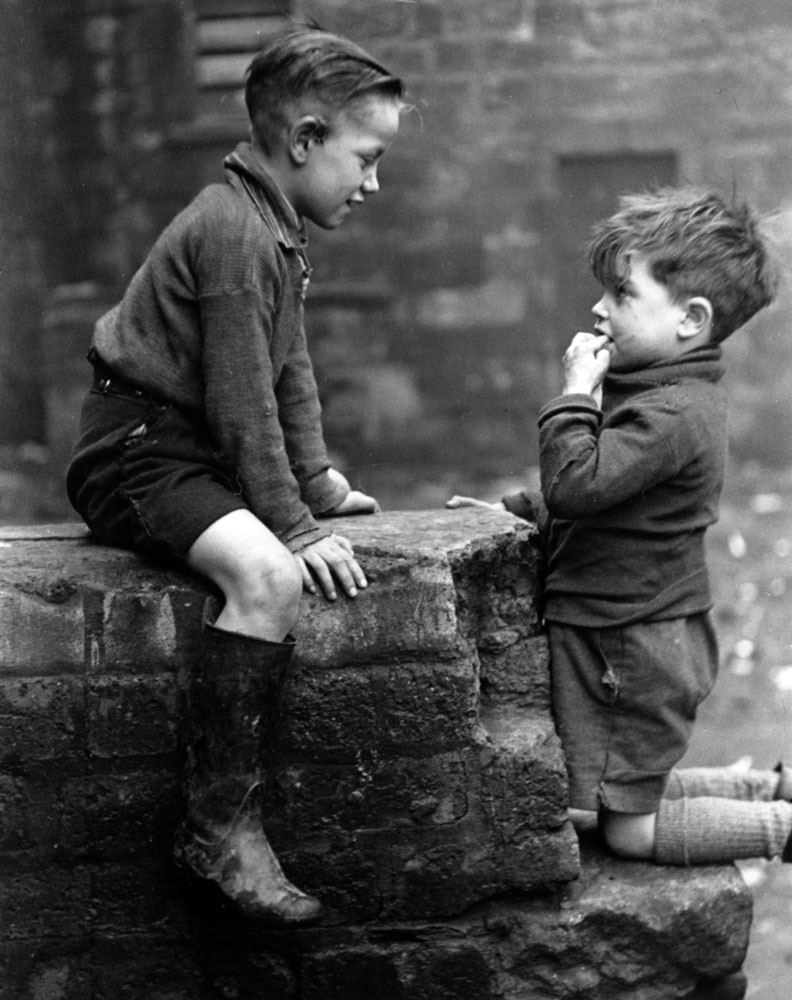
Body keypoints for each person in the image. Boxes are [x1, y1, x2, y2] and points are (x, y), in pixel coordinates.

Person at [66, 25, 405, 924]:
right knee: (266, 576)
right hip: (135, 452)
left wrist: (319, 483)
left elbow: (287, 371)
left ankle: (224, 828)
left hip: (187, 446)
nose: (373, 183)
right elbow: (243, 400)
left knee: (280, 543)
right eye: (365, 158)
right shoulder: (231, 233)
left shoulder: (271, 226)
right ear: (302, 141)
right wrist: (292, 528)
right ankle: (217, 830)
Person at [449, 186, 792, 866]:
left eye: (622, 294)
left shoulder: (673, 414)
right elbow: (614, 501)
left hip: (633, 647)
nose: (600, 308)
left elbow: (580, 484)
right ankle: (766, 787)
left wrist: (576, 394)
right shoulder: (660, 395)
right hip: (626, 631)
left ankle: (782, 827)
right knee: (615, 791)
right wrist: (522, 511)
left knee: (626, 828)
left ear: (691, 319)